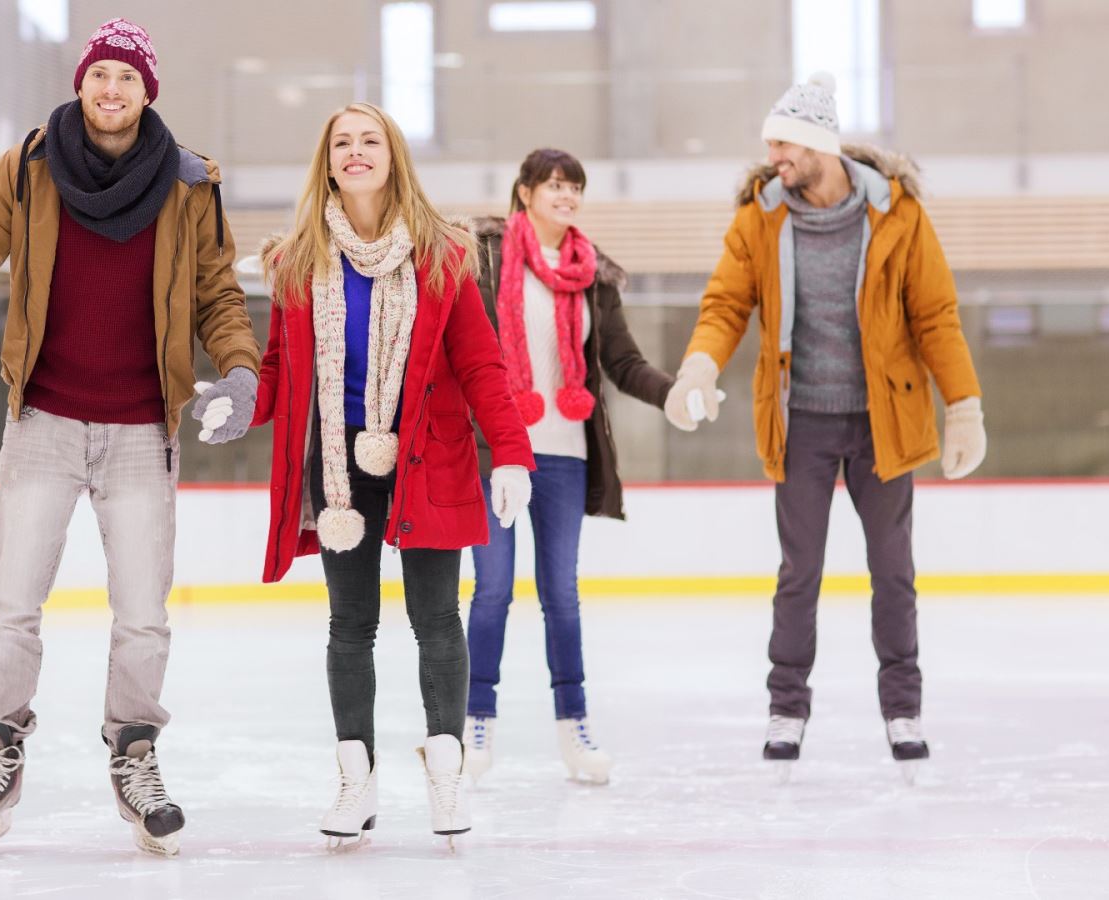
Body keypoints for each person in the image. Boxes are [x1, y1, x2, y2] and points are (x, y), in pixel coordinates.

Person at [0, 18, 261, 856]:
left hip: (143, 427)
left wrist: (241, 368)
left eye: (129, 80)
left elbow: (219, 294)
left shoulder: (188, 183)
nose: (112, 91)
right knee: (10, 605)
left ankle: (135, 752)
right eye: (100, 75)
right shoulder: (29, 166)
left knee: (144, 614)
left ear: (149, 93)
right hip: (43, 418)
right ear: (82, 82)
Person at [664, 73, 987, 778]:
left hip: (884, 421)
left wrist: (962, 405)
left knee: (893, 572)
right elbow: (726, 305)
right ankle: (788, 708)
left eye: (783, 141)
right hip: (801, 420)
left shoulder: (897, 215)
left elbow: (936, 317)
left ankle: (903, 710)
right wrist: (697, 369)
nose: (773, 155)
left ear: (817, 144)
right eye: (771, 143)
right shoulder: (761, 216)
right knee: (798, 573)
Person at [251, 103, 535, 846]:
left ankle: (446, 781)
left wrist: (509, 450)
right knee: (352, 626)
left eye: (368, 140)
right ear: (327, 163)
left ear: (393, 156)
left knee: (437, 621)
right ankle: (357, 784)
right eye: (341, 143)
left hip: (427, 458)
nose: (354, 152)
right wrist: (236, 401)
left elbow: (481, 362)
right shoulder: (298, 258)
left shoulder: (442, 254)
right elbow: (280, 369)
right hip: (339, 469)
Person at [462, 148, 675, 785]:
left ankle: (574, 729)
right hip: (498, 452)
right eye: (554, 185)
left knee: (562, 596)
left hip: (565, 454)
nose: (567, 195)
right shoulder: (486, 258)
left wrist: (675, 393)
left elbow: (623, 361)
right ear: (524, 192)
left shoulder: (592, 275)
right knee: (493, 590)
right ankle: (476, 724)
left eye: (575, 186)